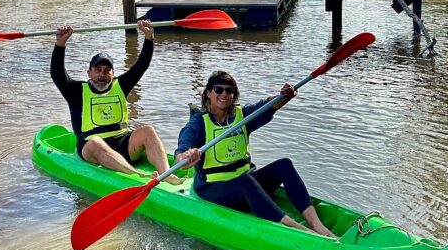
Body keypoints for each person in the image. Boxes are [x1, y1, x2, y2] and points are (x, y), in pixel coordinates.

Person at [175, 71, 336, 238]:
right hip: (213, 190)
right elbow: (182, 151)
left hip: (245, 184)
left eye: (229, 90)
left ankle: (317, 226)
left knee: (284, 165)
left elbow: (269, 105)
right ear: (208, 93)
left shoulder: (242, 116)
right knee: (245, 181)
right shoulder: (198, 124)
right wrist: (186, 156)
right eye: (218, 89)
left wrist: (285, 96)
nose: (224, 94)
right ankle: (301, 231)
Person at [51, 20, 181, 183]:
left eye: (107, 70)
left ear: (113, 73)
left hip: (123, 143)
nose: (102, 74)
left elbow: (142, 65)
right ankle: (137, 176)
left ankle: (166, 174)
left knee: (147, 130)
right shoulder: (76, 91)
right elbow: (57, 74)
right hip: (92, 148)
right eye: (97, 70)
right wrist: (60, 44)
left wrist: (149, 38)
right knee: (95, 143)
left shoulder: (120, 85)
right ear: (89, 72)